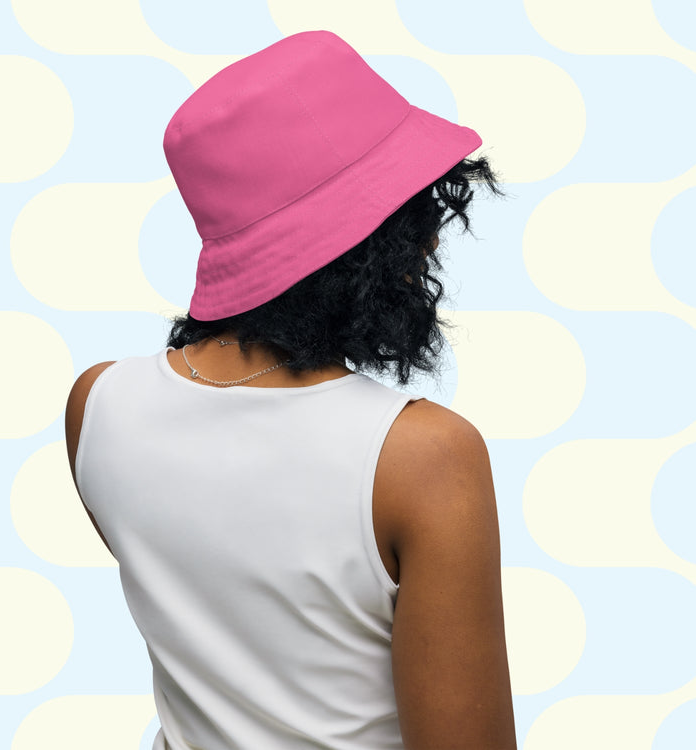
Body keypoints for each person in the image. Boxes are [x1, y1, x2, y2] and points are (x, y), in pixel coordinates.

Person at [65, 30, 516, 750]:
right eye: (414, 218)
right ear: (365, 241)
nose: (429, 245)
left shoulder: (98, 405)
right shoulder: (422, 455)